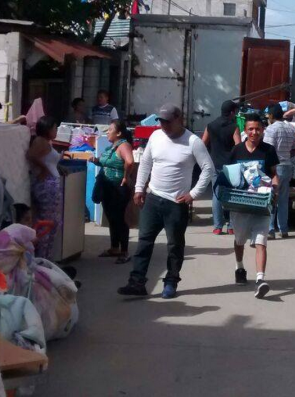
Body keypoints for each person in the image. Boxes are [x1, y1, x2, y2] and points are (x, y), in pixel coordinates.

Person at [118, 105, 215, 299]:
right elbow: (146, 163)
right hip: (153, 198)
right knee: (144, 242)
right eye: (161, 122)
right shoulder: (156, 137)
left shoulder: (193, 142)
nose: (164, 126)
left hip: (176, 204)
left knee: (174, 245)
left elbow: (208, 169)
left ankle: (171, 282)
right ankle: (137, 283)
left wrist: (193, 194)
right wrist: (139, 189)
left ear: (180, 119)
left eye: (168, 122)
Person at [227, 114, 279, 299]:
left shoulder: (268, 150)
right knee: (239, 240)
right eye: (250, 129)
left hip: (262, 204)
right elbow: (229, 175)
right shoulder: (237, 151)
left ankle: (260, 279)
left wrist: (275, 188)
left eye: (258, 129)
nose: (254, 132)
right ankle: (239, 267)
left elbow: (274, 174)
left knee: (260, 241)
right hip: (240, 205)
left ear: (263, 130)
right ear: (245, 131)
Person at [91, 119, 135, 263]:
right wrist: (96, 160)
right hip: (107, 188)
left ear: (119, 133)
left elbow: (130, 162)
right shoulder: (112, 147)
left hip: (118, 188)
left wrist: (126, 177)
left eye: (110, 129)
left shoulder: (123, 145)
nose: (108, 132)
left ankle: (124, 251)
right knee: (111, 218)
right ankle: (114, 247)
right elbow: (107, 162)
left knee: (120, 219)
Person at [201, 100, 242, 235]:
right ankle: (231, 226)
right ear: (232, 112)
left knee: (216, 195)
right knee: (231, 194)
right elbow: (238, 146)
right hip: (230, 165)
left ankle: (218, 226)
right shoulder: (234, 127)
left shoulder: (210, 125)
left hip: (214, 164)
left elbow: (202, 144)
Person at [27, 116, 63, 259]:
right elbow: (31, 155)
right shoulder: (40, 141)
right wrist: (44, 169)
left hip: (50, 183)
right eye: (54, 128)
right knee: (47, 223)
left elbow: (49, 161)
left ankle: (46, 257)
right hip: (46, 185)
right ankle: (42, 259)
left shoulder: (45, 142)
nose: (56, 131)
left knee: (52, 223)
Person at [264, 103, 295, 239]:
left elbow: (268, 149)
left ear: (272, 116)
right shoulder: (290, 128)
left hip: (275, 167)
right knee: (283, 199)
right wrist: (286, 153)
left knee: (271, 198)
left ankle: (270, 230)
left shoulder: (270, 129)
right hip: (287, 166)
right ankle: (284, 229)